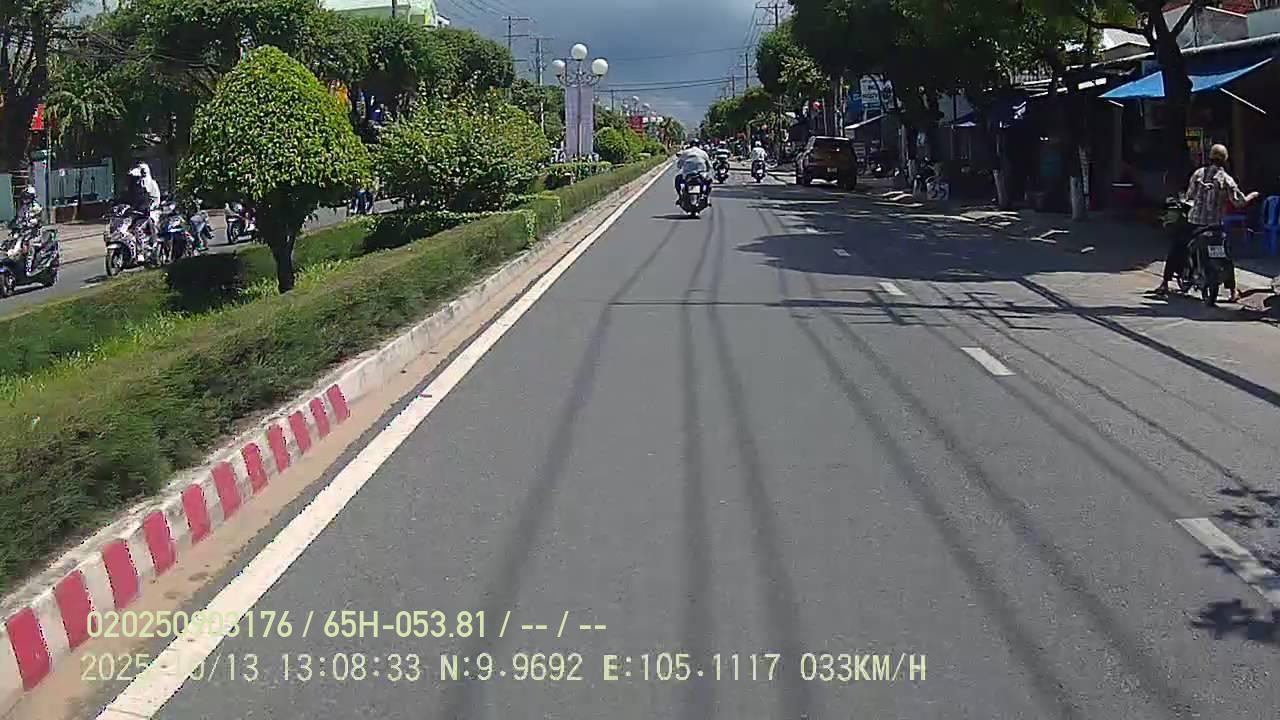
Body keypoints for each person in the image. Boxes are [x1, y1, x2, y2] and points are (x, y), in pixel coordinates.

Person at [1153, 144, 1258, 302]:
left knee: (1177, 247)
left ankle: (1165, 283)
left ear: (1210, 157)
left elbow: (1189, 196)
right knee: (1225, 254)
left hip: (1195, 223)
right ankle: (1232, 291)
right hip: (1215, 224)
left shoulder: (1198, 174)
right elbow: (1239, 202)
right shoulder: (1227, 179)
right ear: (1225, 159)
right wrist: (1253, 195)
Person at [127, 161, 162, 260]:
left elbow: (156, 199)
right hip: (137, 212)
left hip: (151, 211)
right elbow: (130, 199)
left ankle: (143, 250)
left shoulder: (152, 184)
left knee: (143, 226)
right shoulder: (134, 187)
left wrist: (150, 207)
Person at [5, 186, 41, 269]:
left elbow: (39, 218)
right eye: (24, 196)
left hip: (34, 233)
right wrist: (12, 224)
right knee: (9, 243)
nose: (25, 198)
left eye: (27, 196)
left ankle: (28, 267)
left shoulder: (36, 207)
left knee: (30, 246)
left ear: (32, 197)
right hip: (23, 232)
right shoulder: (23, 207)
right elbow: (18, 217)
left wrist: (34, 222)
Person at [676, 139, 712, 204]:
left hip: (687, 175)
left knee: (677, 180)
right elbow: (709, 166)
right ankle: (706, 197)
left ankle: (680, 197)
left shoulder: (685, 152)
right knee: (709, 182)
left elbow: (679, 165)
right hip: (701, 175)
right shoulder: (703, 153)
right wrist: (707, 170)